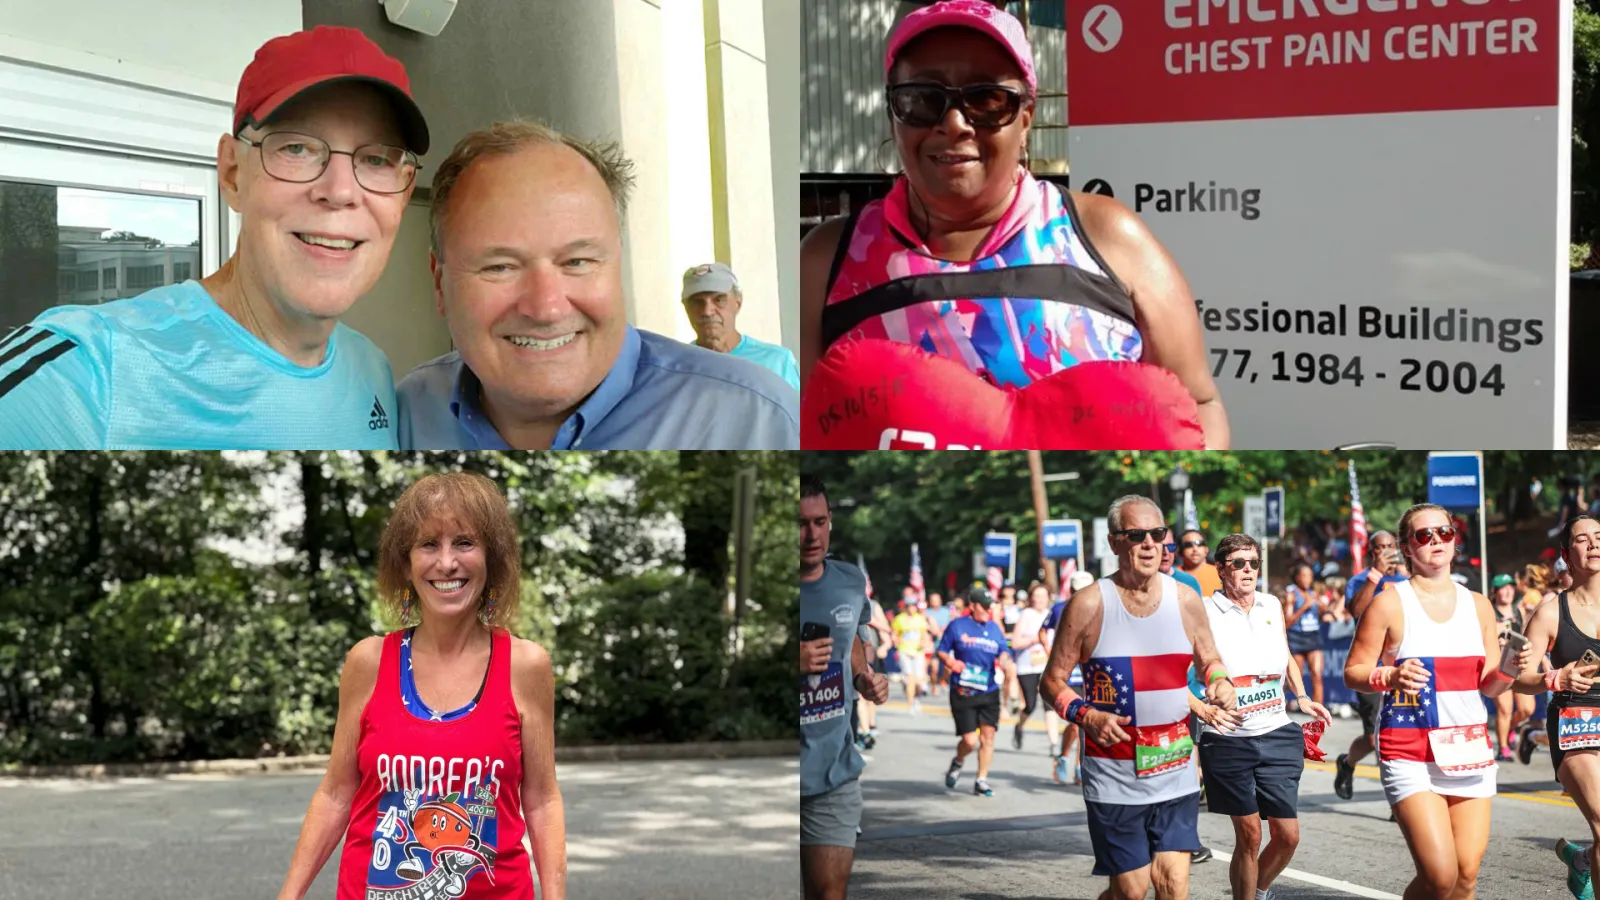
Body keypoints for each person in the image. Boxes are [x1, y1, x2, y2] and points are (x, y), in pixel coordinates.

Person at [797, 0, 1229, 449]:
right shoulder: (825, 260)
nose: (954, 123)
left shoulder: (1108, 237)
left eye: (986, 99)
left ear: (1025, 117)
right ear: (893, 112)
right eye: (922, 99)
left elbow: (1198, 403)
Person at [0, 26, 425, 450]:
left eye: (375, 159)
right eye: (295, 148)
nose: (340, 191)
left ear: (404, 193)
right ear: (232, 174)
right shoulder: (84, 373)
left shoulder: (374, 372)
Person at [396, 120, 797, 450]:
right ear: (439, 281)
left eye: (578, 262)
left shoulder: (761, 420)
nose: (547, 307)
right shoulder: (407, 413)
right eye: (500, 267)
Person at [277, 473, 564, 900]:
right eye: (428, 544)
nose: (446, 562)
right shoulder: (369, 662)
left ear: (492, 558)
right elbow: (337, 794)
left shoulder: (525, 666)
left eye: (465, 543)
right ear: (406, 564)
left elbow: (541, 801)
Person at [1040, 495, 1237, 900]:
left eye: (1158, 534)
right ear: (1114, 542)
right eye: (1137, 535)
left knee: (1172, 884)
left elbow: (1209, 659)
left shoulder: (1185, 598)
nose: (1151, 544)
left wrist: (1221, 681)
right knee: (1131, 891)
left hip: (1175, 765)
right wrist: (1086, 715)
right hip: (1114, 775)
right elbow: (1053, 682)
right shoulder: (1089, 604)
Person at [1344, 503, 1529, 900]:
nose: (1436, 541)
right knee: (1440, 876)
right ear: (1408, 548)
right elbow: (1354, 671)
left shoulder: (1479, 605)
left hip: (1468, 750)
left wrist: (1512, 667)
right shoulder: (1390, 603)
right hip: (1410, 751)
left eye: (1444, 532)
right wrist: (1388, 675)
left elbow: (1491, 686)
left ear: (1455, 539)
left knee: (1465, 878)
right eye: (1424, 535)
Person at [1195, 533, 1330, 900]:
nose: (1248, 570)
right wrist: (1202, 709)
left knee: (1288, 837)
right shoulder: (1205, 612)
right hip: (1228, 738)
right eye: (1238, 563)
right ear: (1221, 568)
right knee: (1251, 834)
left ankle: (1256, 889)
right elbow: (1173, 672)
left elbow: (1284, 653)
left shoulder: (1271, 604)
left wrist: (1301, 695)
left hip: (1276, 730)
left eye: (1253, 563)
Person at [799, 476, 890, 900]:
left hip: (834, 771)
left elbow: (852, 640)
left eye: (819, 522)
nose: (811, 534)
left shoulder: (850, 581)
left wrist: (863, 678)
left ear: (830, 521)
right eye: (800, 524)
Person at [1515, 514, 1600, 900]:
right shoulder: (1549, 612)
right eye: (1583, 540)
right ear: (1567, 554)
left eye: (1599, 536)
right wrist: (1556, 679)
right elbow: (1515, 677)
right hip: (1576, 722)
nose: (1594, 544)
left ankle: (1583, 860)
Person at [1335, 530, 1409, 800]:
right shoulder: (1359, 580)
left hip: (1405, 668)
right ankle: (1347, 762)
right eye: (1381, 547)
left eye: (1391, 546)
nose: (1387, 551)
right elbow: (1357, 611)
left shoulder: (1408, 581)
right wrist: (1375, 575)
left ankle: (1399, 798)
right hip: (1371, 668)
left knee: (1401, 732)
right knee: (1374, 736)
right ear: (1372, 552)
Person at [937, 586, 1016, 797]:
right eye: (985, 606)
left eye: (991, 607)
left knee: (988, 737)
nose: (989, 610)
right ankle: (958, 761)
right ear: (973, 606)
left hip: (989, 690)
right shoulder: (957, 625)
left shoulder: (994, 628)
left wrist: (1005, 659)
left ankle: (981, 780)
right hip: (963, 690)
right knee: (970, 740)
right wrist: (952, 662)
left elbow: (1004, 650)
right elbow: (942, 651)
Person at [680, 263, 800, 390]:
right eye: (697, 302)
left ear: (738, 303)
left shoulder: (777, 362)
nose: (707, 311)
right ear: (686, 308)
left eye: (719, 300)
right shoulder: (676, 366)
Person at [1043, 570, 1096, 783]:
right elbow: (1043, 630)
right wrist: (1050, 652)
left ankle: (1079, 766)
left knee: (1086, 723)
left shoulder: (1099, 608)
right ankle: (1064, 757)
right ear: (1071, 590)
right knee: (1076, 722)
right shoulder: (1058, 609)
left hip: (1089, 672)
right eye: (1078, 590)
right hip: (1068, 674)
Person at [1489, 574, 1537, 762]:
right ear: (1495, 591)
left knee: (1527, 709)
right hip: (1500, 666)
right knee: (1505, 709)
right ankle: (1503, 749)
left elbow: (1529, 636)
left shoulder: (1519, 611)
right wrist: (1496, 634)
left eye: (1510, 586)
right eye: (1503, 587)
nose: (1508, 590)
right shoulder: (1490, 614)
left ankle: (1509, 728)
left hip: (1520, 665)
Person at [1010, 583, 1052, 750]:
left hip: (1046, 665)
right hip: (1027, 665)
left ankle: (1053, 744)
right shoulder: (1026, 615)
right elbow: (1015, 643)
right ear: (1031, 598)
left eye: (1044, 596)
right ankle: (1019, 726)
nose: (1040, 599)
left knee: (1050, 703)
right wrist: (1035, 639)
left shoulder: (1052, 614)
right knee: (1031, 704)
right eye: (1037, 596)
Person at [1282, 563, 1326, 712]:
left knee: (1317, 675)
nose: (1308, 579)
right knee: (1296, 678)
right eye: (1305, 575)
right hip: (1297, 637)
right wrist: (1304, 607)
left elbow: (1321, 615)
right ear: (1297, 577)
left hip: (1313, 636)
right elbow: (1287, 622)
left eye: (1310, 576)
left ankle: (1319, 713)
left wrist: (1323, 609)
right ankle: (1284, 699)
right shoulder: (1291, 595)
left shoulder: (1314, 594)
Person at [892, 599, 931, 713]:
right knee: (910, 678)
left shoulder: (920, 619)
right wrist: (896, 641)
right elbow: (894, 633)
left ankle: (916, 697)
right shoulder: (899, 619)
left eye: (913, 606)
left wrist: (924, 643)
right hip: (904, 650)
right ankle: (910, 704)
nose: (911, 608)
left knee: (918, 680)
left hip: (918, 651)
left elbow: (924, 634)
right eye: (909, 606)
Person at [1178, 530, 1223, 597]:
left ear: (1206, 549)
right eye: (1189, 545)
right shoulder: (1172, 575)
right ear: (1180, 551)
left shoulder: (1221, 573)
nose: (1195, 549)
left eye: (1200, 544)